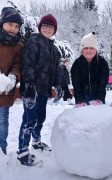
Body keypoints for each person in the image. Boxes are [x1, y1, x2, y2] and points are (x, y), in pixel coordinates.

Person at [17, 14, 62, 166]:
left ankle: (36, 141)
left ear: (54, 30)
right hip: (32, 89)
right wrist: (29, 85)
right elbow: (27, 64)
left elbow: (55, 71)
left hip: (44, 90)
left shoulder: (54, 49)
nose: (48, 29)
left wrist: (58, 85)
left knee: (40, 118)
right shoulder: (34, 41)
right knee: (29, 120)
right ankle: (22, 152)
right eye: (45, 26)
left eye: (51, 27)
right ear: (40, 27)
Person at [0, 7, 23, 156]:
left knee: (2, 121)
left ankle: (1, 148)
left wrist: (14, 77)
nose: (13, 29)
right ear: (2, 23)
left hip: (5, 90)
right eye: (10, 24)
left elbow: (17, 65)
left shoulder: (19, 46)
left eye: (16, 26)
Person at [71, 32, 109, 107]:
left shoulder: (102, 63)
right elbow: (76, 85)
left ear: (96, 49)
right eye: (85, 48)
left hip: (98, 95)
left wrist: (99, 99)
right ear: (82, 50)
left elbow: (102, 84)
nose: (88, 50)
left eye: (91, 48)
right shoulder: (77, 64)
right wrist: (79, 100)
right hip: (83, 95)